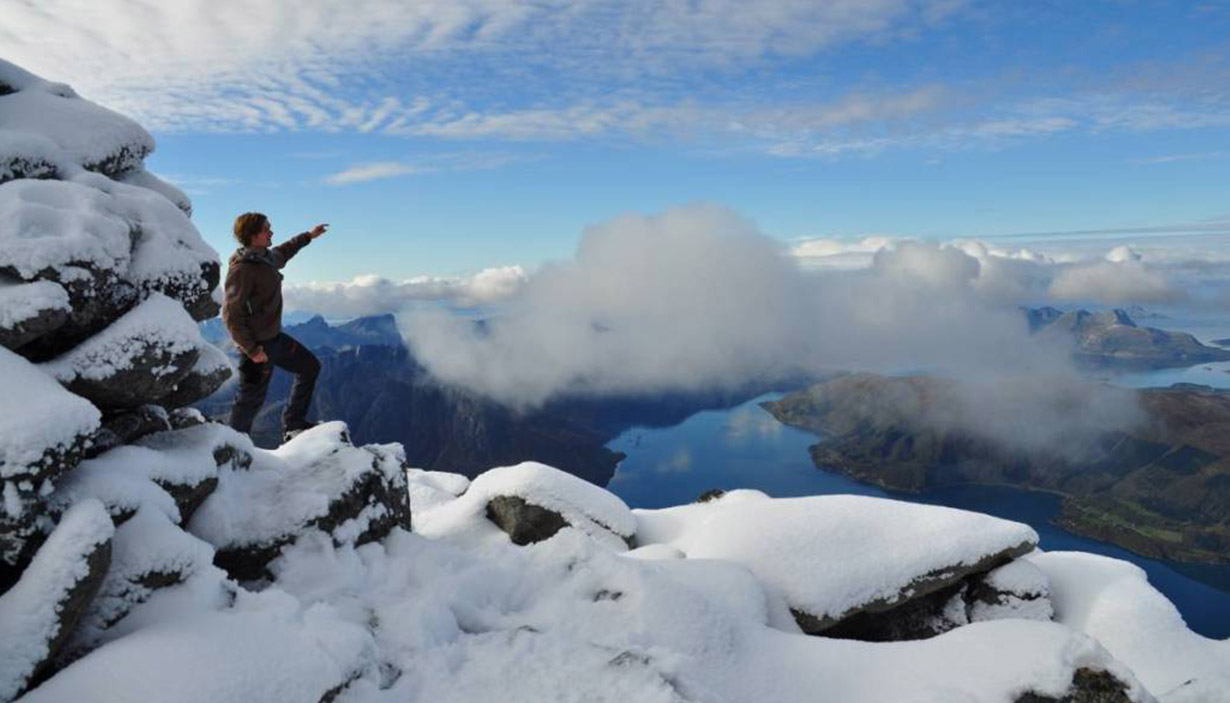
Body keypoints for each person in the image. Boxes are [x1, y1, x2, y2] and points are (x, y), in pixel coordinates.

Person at [222, 212, 329, 441]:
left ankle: (293, 424)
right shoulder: (242, 270)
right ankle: (232, 449)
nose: (271, 232)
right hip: (257, 349)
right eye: (266, 229)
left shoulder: (266, 258)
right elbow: (231, 315)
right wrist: (252, 350)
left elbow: (286, 250)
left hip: (275, 340)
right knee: (249, 400)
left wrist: (309, 235)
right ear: (252, 235)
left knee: (310, 367)